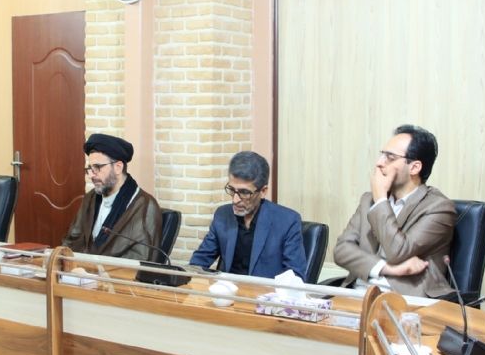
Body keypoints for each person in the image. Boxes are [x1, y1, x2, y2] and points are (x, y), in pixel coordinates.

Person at [333, 124, 456, 297]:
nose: (379, 163)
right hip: (357, 294)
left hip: (404, 301)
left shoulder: (439, 208)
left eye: (390, 157)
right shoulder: (368, 200)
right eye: (382, 155)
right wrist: (386, 268)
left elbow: (399, 252)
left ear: (414, 167)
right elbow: (341, 250)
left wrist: (381, 200)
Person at [190, 151, 307, 279]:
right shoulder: (223, 215)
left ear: (263, 191)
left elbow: (295, 277)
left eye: (244, 192)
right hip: (227, 290)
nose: (235, 200)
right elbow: (198, 262)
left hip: (265, 291)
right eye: (232, 190)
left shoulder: (287, 221)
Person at [63, 133, 163, 261]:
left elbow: (141, 260)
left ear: (118, 167)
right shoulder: (91, 198)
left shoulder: (145, 206)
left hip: (114, 273)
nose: (91, 175)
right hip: (81, 270)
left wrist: (95, 269)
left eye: (97, 167)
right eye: (90, 168)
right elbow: (72, 240)